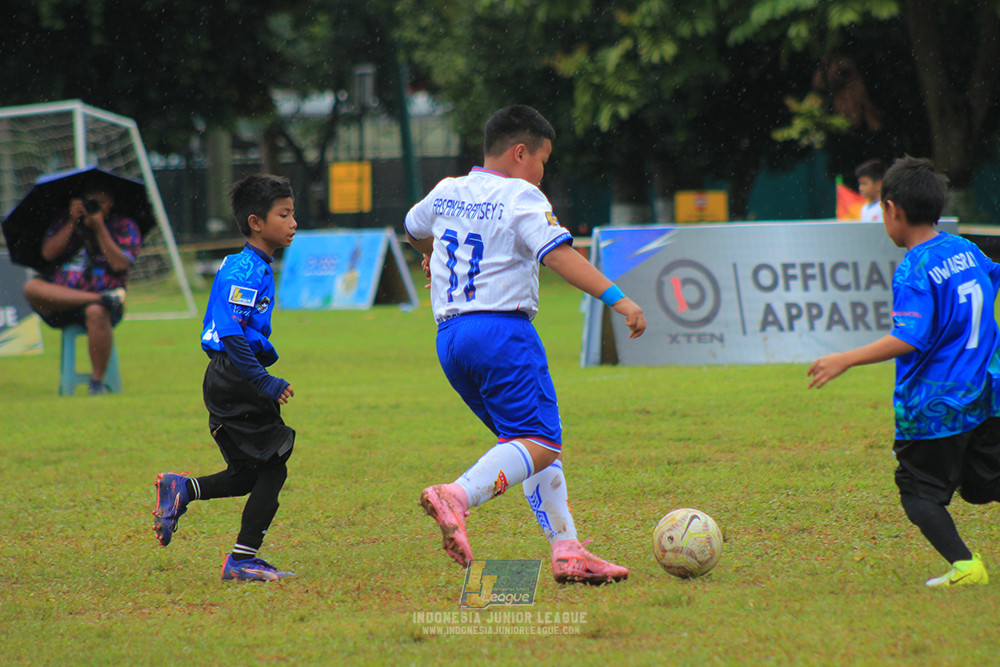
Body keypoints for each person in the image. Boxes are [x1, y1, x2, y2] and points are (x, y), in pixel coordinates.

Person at [405, 105, 647, 585]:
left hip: (451, 340)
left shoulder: (448, 190)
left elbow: (414, 229)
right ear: (521, 153)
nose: (542, 173)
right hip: (501, 333)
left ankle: (568, 551)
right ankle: (456, 495)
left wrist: (432, 255)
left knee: (526, 444)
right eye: (543, 160)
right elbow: (558, 256)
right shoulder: (521, 196)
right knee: (539, 440)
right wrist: (619, 299)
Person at [808, 156, 1000, 588]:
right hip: (987, 395)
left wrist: (845, 358)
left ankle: (966, 567)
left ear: (892, 209)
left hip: (936, 407)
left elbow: (910, 337)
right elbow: (991, 278)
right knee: (983, 485)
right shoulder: (964, 249)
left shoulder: (914, 269)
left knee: (918, 491)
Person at [153, 174, 298, 582]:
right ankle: (241, 560)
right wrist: (263, 381)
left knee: (248, 474)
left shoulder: (253, 265)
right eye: (284, 215)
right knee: (273, 468)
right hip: (235, 375)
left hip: (230, 376)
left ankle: (183, 490)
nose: (293, 223)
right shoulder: (245, 268)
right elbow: (232, 332)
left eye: (293, 214)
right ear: (256, 222)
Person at [23, 181, 141, 394]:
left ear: (111, 202)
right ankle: (99, 298)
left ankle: (96, 382)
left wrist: (99, 227)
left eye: (100, 202)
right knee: (32, 287)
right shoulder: (64, 220)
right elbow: (48, 254)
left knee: (96, 311)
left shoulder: (124, 225)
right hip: (61, 303)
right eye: (89, 202)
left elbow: (120, 264)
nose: (94, 206)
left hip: (105, 310)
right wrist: (71, 221)